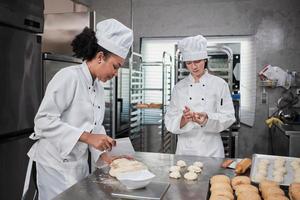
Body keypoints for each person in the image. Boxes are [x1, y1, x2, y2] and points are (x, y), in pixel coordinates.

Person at [22, 19, 133, 200]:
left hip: (78, 166)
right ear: (100, 57)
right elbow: (42, 121)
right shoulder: (69, 77)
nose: (116, 73)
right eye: (115, 66)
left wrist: (107, 156)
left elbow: (95, 127)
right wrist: (88, 137)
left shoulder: (98, 87)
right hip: (53, 166)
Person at [165, 35, 235, 158]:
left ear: (205, 60)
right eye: (189, 63)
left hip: (211, 150)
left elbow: (228, 116)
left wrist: (207, 118)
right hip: (185, 150)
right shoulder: (179, 88)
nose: (194, 67)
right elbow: (170, 120)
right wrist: (184, 119)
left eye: (197, 61)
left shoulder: (219, 84)